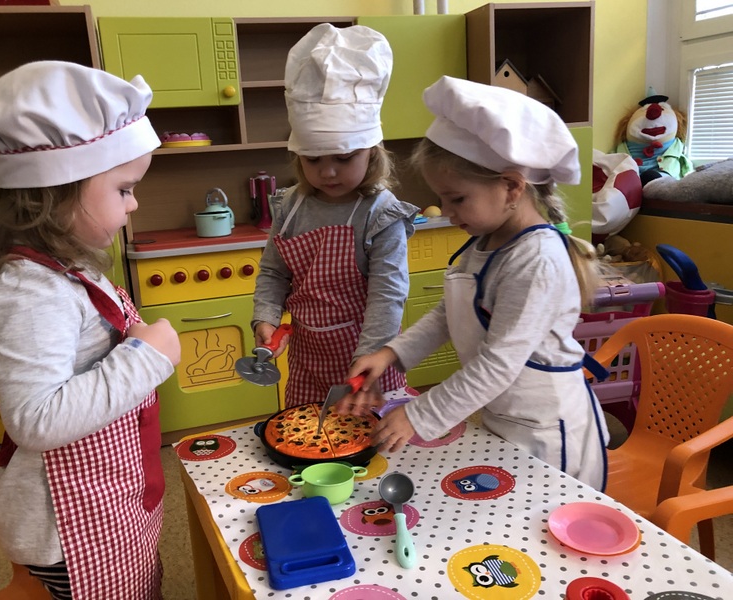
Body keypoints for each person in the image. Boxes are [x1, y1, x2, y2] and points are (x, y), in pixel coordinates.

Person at [0, 61, 180, 599]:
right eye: (124, 189)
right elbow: (36, 417)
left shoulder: (58, 269)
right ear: (58, 191)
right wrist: (146, 358)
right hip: (71, 531)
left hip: (108, 497)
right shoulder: (28, 292)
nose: (134, 203)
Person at [341, 76, 610, 491]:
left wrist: (419, 414)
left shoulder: (536, 259)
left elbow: (498, 362)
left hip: (547, 431)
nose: (447, 211)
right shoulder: (484, 242)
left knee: (541, 520)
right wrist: (391, 353)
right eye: (443, 199)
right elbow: (448, 315)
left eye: (457, 198)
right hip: (504, 415)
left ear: (512, 187)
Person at [252, 24, 418, 407]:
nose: (327, 172)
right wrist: (266, 318)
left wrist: (368, 357)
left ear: (371, 152)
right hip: (307, 363)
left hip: (367, 363)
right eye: (313, 160)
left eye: (344, 158)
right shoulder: (290, 206)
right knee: (306, 434)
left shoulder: (380, 213)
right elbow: (274, 272)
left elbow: (387, 296)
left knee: (369, 439)